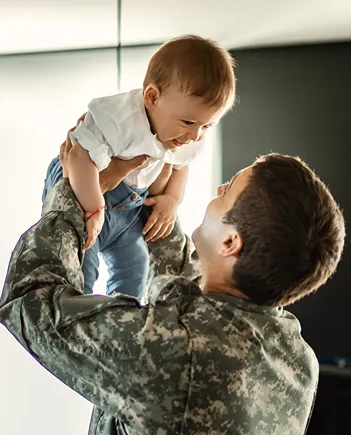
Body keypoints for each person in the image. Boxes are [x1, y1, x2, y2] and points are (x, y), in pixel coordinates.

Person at [0, 129, 346, 435]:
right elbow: (191, 289)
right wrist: (150, 197)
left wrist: (73, 195)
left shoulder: (177, 351)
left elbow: (31, 299)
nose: (217, 188)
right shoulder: (296, 361)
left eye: (227, 190)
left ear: (231, 241)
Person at [42, 34, 235, 300]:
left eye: (207, 126)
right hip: (85, 186)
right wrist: (94, 208)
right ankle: (78, 315)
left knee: (135, 268)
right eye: (189, 123)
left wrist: (171, 199)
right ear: (153, 98)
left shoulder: (187, 134)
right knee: (83, 263)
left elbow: (181, 166)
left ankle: (122, 319)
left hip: (129, 210)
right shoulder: (118, 118)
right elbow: (76, 159)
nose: (195, 136)